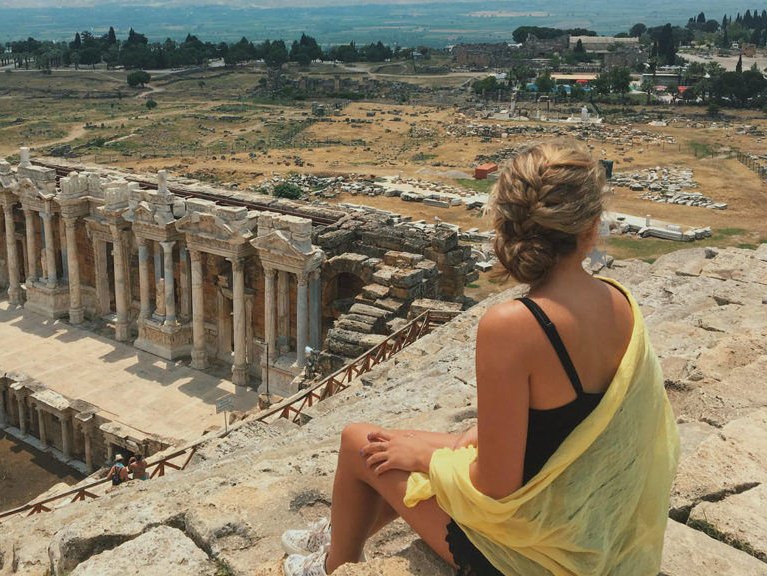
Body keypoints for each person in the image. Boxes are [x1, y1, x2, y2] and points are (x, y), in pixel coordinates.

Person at [281, 142, 679, 576]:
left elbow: (494, 485)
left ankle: (333, 563)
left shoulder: (515, 325)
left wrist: (428, 459)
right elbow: (565, 429)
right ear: (592, 228)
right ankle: (340, 531)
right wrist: (441, 447)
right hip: (596, 525)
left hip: (536, 554)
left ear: (504, 225)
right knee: (418, 441)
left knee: (360, 442)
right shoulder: (620, 301)